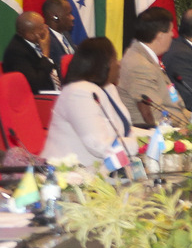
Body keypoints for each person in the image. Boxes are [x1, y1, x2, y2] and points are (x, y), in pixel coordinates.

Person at [41, 37, 138, 174]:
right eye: (115, 59)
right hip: (70, 177)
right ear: (103, 65)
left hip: (105, 172)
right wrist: (136, 144)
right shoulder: (78, 92)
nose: (119, 64)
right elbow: (97, 145)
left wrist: (156, 135)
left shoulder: (108, 88)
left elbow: (124, 130)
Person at [118, 6, 187, 127]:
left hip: (176, 121)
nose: (173, 34)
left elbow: (173, 102)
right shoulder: (140, 65)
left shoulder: (144, 56)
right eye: (170, 30)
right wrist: (190, 125)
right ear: (159, 36)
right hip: (155, 132)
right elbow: (155, 115)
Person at [2, 11, 61, 93]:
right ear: (30, 35)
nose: (46, 27)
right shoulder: (16, 52)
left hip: (55, 92)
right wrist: (45, 55)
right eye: (42, 27)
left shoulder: (37, 42)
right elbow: (35, 85)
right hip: (40, 97)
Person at [42, 0, 76, 76]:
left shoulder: (65, 33)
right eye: (68, 14)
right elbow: (56, 72)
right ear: (55, 17)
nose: (72, 18)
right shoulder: (46, 40)